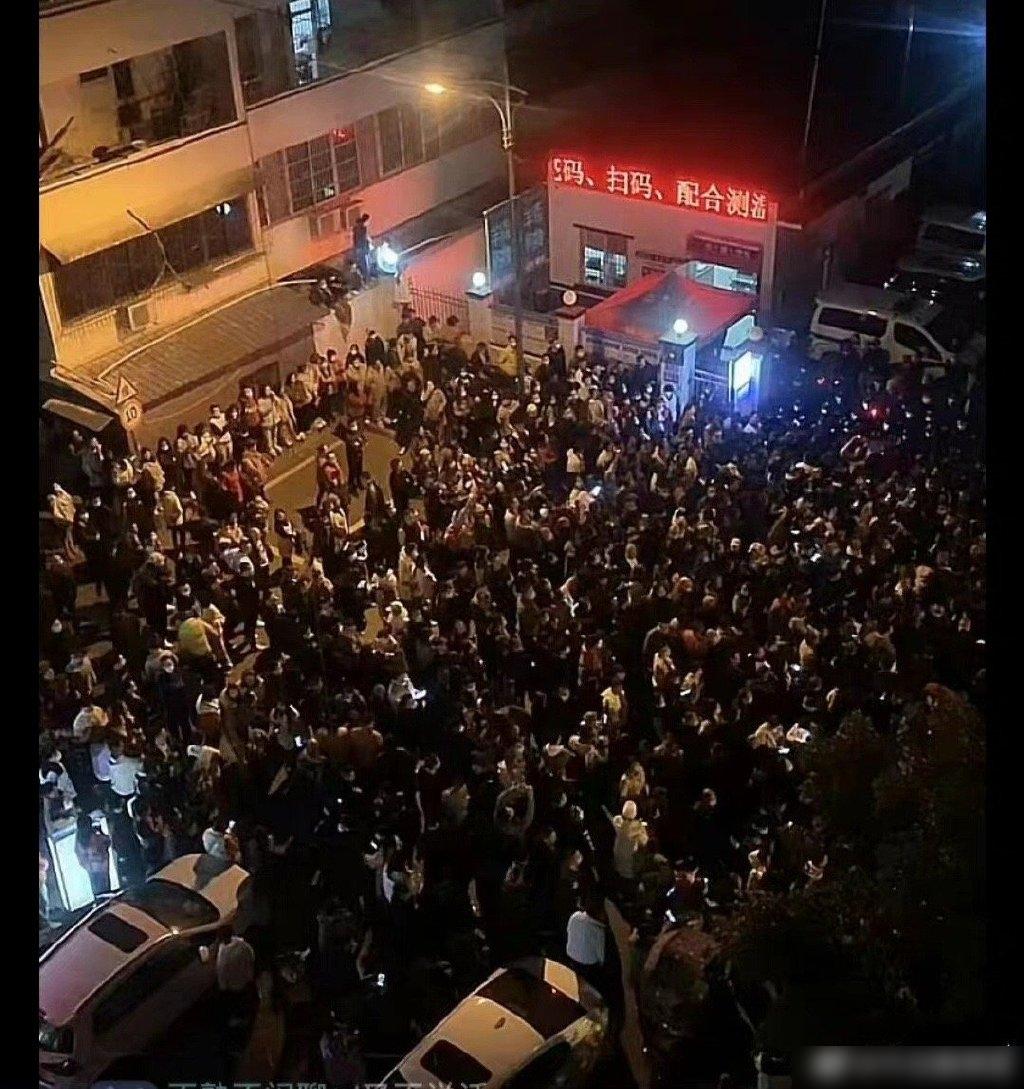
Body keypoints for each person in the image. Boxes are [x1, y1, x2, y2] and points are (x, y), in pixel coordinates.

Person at [75, 812, 112, 899]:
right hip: (101, 869)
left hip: (93, 871)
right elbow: (108, 841)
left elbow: (82, 860)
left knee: (99, 895)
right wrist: (100, 831)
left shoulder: (79, 841)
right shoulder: (94, 837)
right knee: (106, 894)